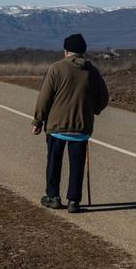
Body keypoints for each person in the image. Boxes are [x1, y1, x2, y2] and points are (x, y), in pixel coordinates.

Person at [32, 34, 110, 214]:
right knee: (77, 164)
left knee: (54, 162)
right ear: (83, 52)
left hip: (56, 125)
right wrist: (93, 110)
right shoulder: (92, 71)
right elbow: (103, 98)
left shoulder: (56, 68)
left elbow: (45, 97)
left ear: (66, 51)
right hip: (81, 127)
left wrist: (38, 120)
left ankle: (53, 197)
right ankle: (74, 201)